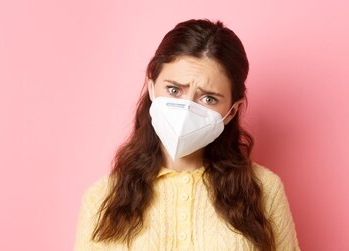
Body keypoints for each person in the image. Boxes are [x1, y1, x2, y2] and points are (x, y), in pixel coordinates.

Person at [74, 19, 300, 251]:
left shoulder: (263, 189)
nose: (186, 109)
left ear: (232, 111)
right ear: (152, 88)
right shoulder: (102, 198)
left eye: (208, 99)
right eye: (174, 90)